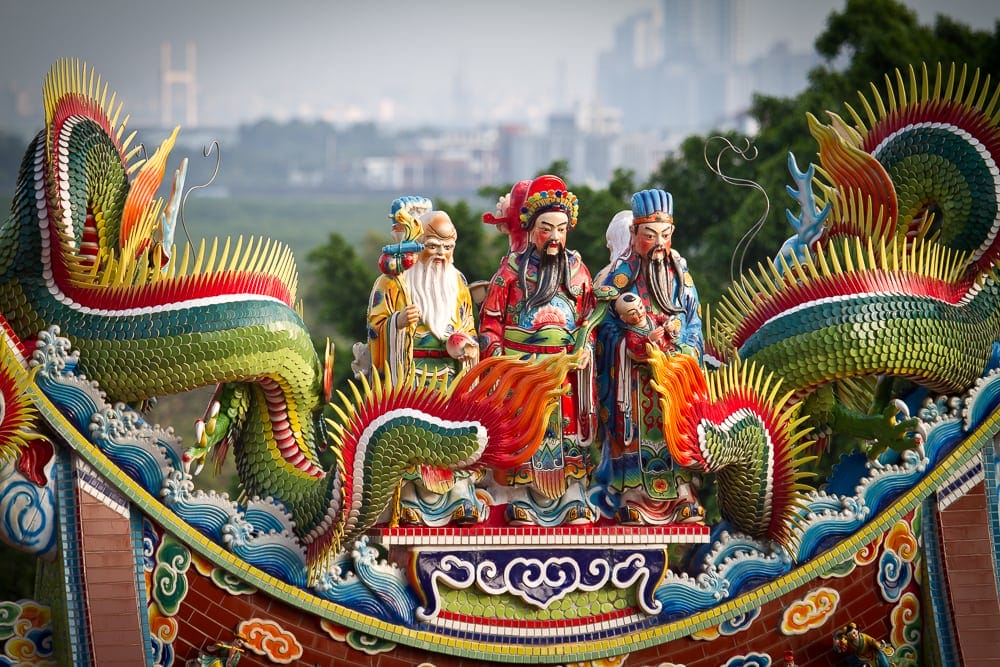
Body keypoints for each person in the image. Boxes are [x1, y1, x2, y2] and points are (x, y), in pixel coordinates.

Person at [478, 174, 597, 526]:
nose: (555, 237)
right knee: (525, 429)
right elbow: (491, 320)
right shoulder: (512, 270)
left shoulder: (577, 269)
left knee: (568, 430)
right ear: (531, 230)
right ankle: (523, 497)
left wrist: (586, 347)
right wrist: (499, 357)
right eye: (547, 228)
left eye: (561, 229)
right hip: (523, 368)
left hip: (564, 366)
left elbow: (588, 318)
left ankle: (572, 496)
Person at [366, 200, 485, 526]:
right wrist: (398, 323)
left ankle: (459, 498)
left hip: (449, 377)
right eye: (432, 246)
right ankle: (410, 500)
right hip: (410, 378)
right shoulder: (393, 282)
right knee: (414, 442)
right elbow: (375, 329)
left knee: (453, 438)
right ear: (417, 244)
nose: (440, 254)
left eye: (447, 247)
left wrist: (465, 345)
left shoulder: (457, 283)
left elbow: (468, 327)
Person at [595, 188, 705, 525]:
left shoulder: (679, 275)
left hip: (671, 375)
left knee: (676, 427)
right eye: (649, 235)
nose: (658, 243)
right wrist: (632, 344)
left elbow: (694, 323)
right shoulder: (620, 277)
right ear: (634, 234)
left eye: (665, 235)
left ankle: (682, 494)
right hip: (632, 378)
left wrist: (678, 343)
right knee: (633, 433)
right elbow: (602, 328)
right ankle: (632, 494)